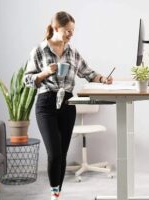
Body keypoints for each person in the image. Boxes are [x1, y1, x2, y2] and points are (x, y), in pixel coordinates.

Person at [24, 11, 113, 200]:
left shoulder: (72, 52)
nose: (71, 35)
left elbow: (88, 73)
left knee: (62, 154)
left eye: (73, 31)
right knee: (54, 153)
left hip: (68, 103)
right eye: (67, 31)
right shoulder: (39, 50)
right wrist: (44, 73)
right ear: (56, 28)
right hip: (46, 103)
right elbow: (26, 80)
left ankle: (57, 193)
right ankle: (54, 194)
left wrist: (103, 78)